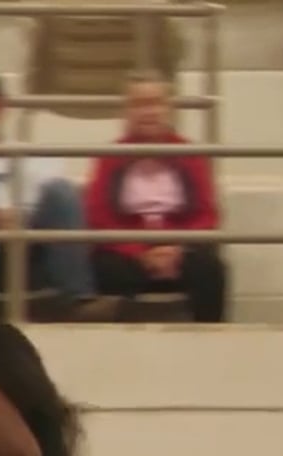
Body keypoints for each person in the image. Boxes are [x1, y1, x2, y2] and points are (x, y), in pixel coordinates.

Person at [0, 69, 115, 321]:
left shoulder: (26, 154)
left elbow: (52, 203)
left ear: (2, 109)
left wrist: (19, 219)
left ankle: (78, 299)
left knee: (62, 189)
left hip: (28, 241)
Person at [82, 71, 229, 323]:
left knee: (211, 268)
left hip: (180, 249)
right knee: (103, 269)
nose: (149, 112)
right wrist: (139, 252)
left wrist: (177, 249)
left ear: (169, 108)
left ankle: (211, 342)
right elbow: (99, 217)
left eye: (156, 103)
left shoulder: (190, 154)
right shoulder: (110, 157)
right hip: (128, 254)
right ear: (127, 111)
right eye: (140, 104)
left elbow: (206, 214)